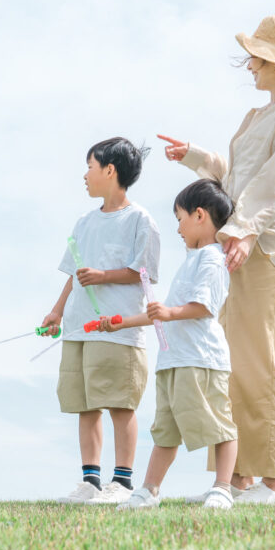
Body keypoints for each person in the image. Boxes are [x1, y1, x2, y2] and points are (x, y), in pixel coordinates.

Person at [158, 15, 275, 505]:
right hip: (238, 248)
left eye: (256, 57)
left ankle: (274, 484)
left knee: (265, 363)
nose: (249, 65)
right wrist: (195, 157)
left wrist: (243, 230)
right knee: (232, 365)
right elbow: (236, 173)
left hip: (268, 250)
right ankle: (237, 481)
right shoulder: (257, 116)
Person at [98, 178, 238, 510]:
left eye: (180, 219)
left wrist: (170, 311)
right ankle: (149, 490)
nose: (177, 229)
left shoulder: (213, 260)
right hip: (174, 362)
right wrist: (120, 323)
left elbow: (203, 307)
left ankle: (222, 488)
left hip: (201, 361)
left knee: (218, 424)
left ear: (199, 215)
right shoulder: (192, 260)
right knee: (165, 432)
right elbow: (163, 314)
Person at [40, 137, 160, 505]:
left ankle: (121, 482)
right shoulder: (84, 221)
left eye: (89, 167)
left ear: (110, 171)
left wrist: (104, 275)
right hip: (78, 327)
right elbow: (73, 274)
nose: (85, 175)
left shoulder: (141, 220)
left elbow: (145, 273)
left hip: (117, 329)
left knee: (120, 404)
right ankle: (89, 481)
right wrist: (57, 311)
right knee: (85, 404)